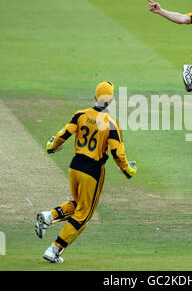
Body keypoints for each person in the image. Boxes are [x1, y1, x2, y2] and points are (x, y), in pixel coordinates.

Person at [35, 81, 137, 263]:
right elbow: (117, 153)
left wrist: (53, 146)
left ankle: (50, 216)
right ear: (111, 101)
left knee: (79, 204)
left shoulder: (80, 114)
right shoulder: (111, 123)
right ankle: (54, 249)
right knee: (84, 215)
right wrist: (128, 170)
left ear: (95, 97)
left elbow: (64, 134)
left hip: (75, 166)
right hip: (93, 171)